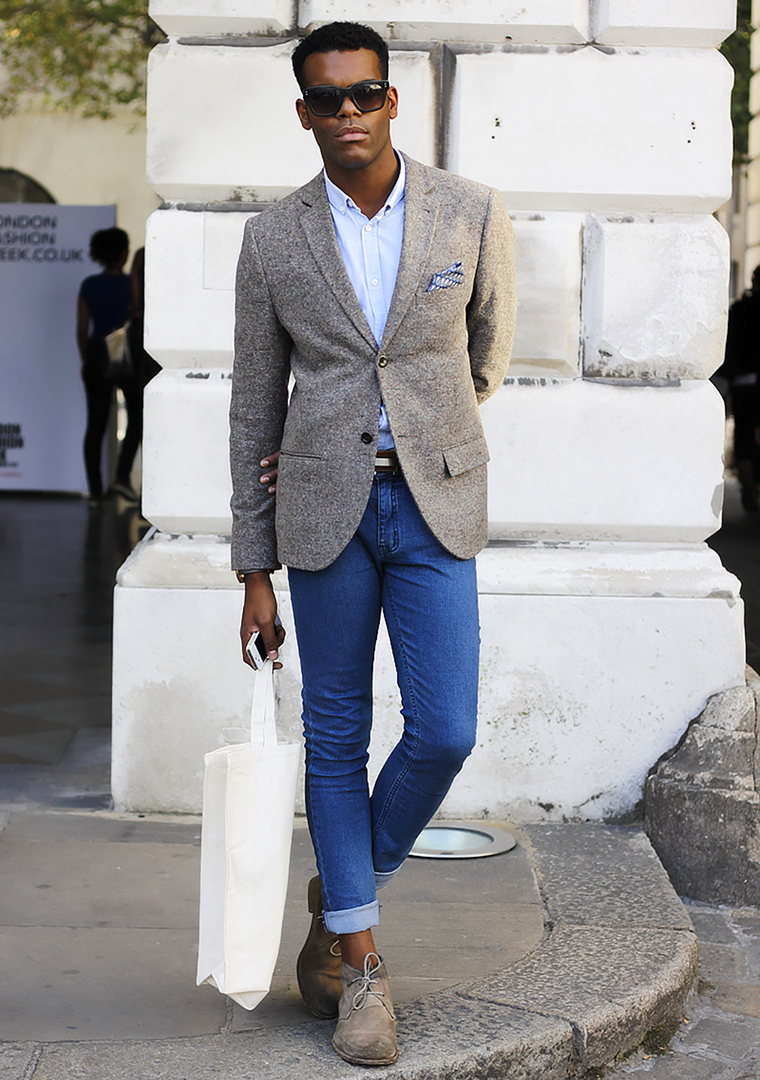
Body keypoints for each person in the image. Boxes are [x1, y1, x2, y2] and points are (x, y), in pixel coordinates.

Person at [229, 21, 516, 1066]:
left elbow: (482, 356)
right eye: (327, 99)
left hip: (435, 504)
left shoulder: (469, 212)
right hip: (321, 516)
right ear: (303, 111)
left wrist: (421, 429)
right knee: (337, 736)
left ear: (392, 100)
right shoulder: (272, 239)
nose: (347, 113)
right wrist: (250, 567)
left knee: (444, 728)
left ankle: (341, 886)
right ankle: (360, 963)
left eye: (364, 94)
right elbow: (253, 410)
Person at [76, 227, 140, 502]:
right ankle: (122, 477)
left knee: (96, 425)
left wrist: (86, 359)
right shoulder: (130, 284)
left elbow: (81, 328)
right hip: (127, 355)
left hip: (95, 355)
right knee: (136, 417)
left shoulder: (89, 285)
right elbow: (138, 312)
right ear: (124, 253)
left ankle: (95, 490)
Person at [719, 265, 760, 511]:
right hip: (747, 382)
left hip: (744, 383)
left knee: (745, 436)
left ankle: (749, 487)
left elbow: (730, 348)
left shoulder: (740, 310)